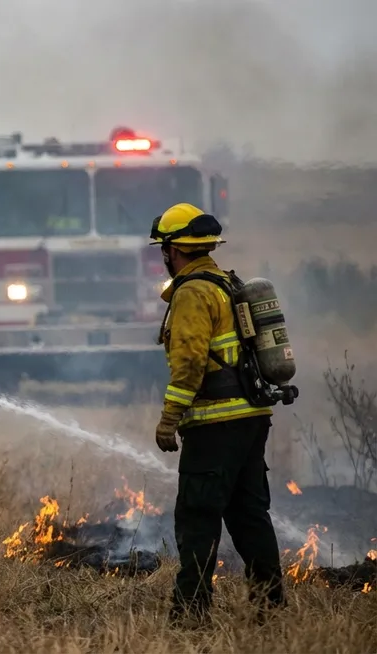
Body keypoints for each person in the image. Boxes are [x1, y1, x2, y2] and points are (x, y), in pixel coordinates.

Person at [150, 202, 284, 625]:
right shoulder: (225, 282)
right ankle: (269, 606)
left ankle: (191, 612)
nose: (164, 256)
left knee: (197, 517)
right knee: (249, 516)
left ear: (173, 250)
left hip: (215, 424)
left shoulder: (192, 292)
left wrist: (170, 417)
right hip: (251, 418)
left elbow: (188, 362)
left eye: (164, 249)